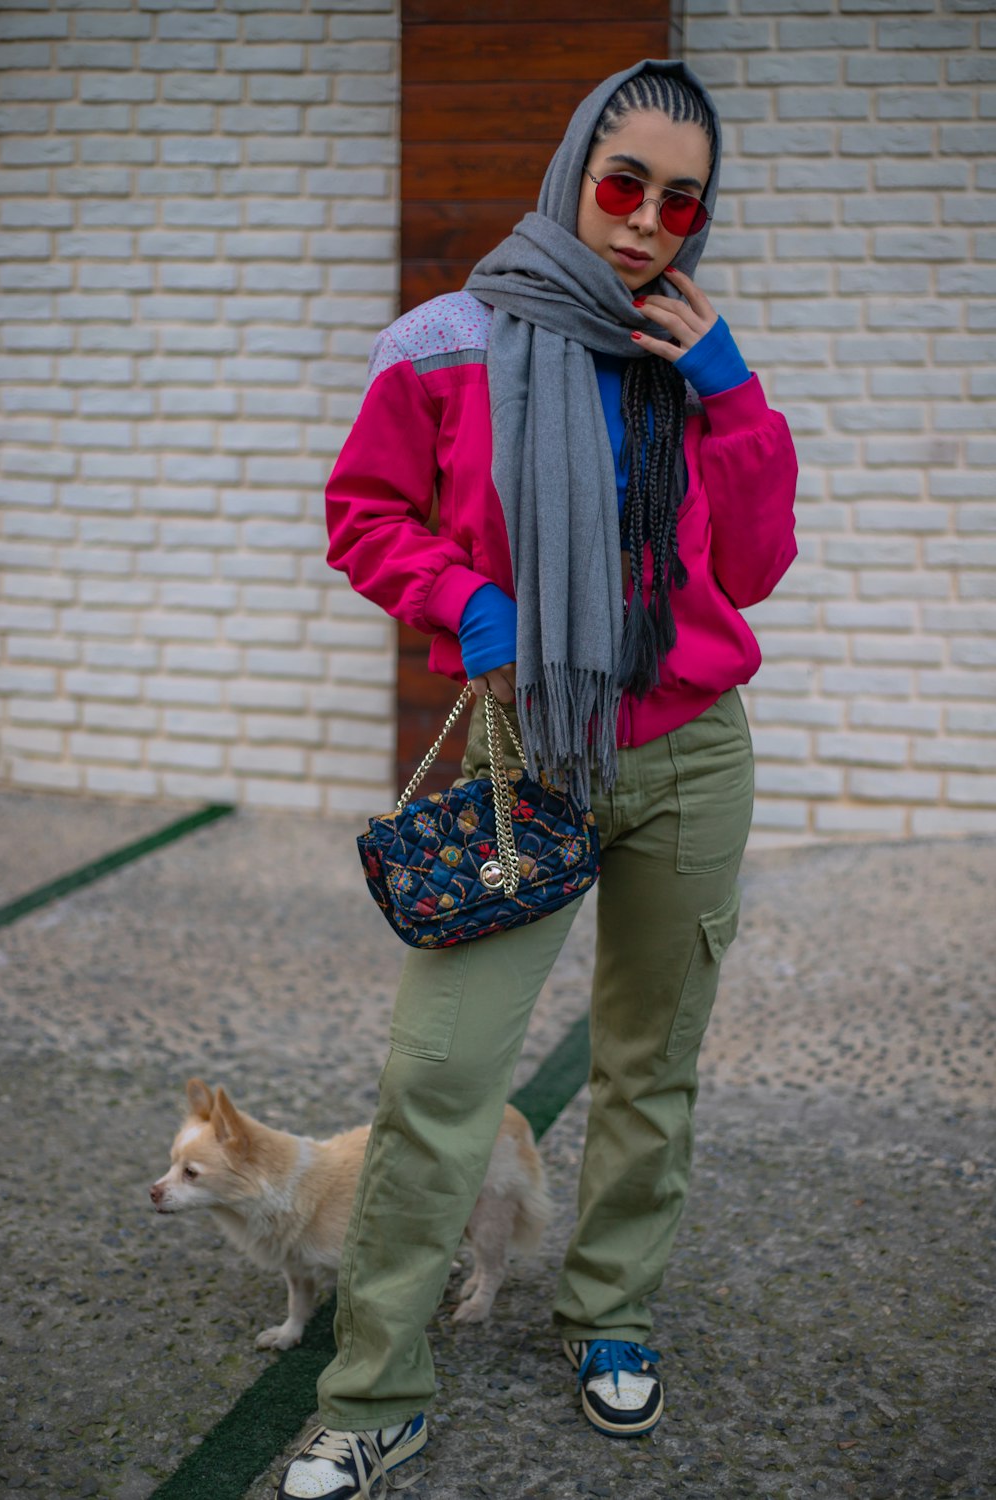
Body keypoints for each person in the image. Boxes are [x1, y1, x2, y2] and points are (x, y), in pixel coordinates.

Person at [278, 58, 797, 1500]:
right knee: (439, 1075)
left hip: (692, 754)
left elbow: (753, 569)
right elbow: (364, 513)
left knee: (652, 1063)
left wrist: (734, 393)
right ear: (575, 169)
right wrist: (467, 603)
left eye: (680, 201)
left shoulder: (685, 356)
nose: (645, 224)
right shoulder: (447, 339)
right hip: (528, 755)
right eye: (622, 184)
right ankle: (374, 1386)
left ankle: (609, 1313)